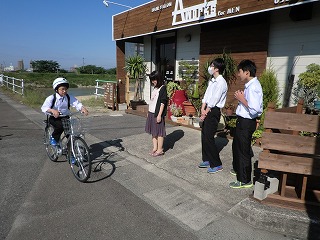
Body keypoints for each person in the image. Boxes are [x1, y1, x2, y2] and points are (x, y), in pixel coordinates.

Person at [229, 59, 263, 189]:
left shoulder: (254, 87)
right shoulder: (250, 85)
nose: (239, 74)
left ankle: (244, 180)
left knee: (243, 150)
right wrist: (243, 98)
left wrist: (241, 99)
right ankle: (238, 169)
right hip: (242, 121)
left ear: (247, 72)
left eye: (240, 71)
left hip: (247, 122)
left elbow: (255, 109)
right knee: (237, 146)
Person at [198, 58, 228, 173]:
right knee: (204, 135)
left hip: (213, 110)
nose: (210, 67)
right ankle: (207, 159)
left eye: (212, 66)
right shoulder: (212, 80)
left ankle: (217, 164)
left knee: (209, 137)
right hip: (207, 108)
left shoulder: (221, 82)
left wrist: (206, 111)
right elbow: (207, 94)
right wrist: (202, 107)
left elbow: (215, 99)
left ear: (217, 69)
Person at [41, 77, 89, 146]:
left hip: (65, 117)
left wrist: (82, 108)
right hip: (54, 118)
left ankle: (71, 153)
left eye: (66, 89)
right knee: (60, 126)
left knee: (70, 134)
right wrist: (52, 110)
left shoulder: (69, 97)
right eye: (62, 89)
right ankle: (53, 138)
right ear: (57, 89)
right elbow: (44, 108)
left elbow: (76, 103)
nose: (64, 91)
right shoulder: (51, 98)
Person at [145, 71, 168, 157]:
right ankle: (155, 148)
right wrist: (148, 111)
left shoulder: (163, 88)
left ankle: (160, 149)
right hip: (151, 113)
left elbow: (163, 103)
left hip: (157, 114)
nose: (153, 81)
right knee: (153, 132)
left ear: (159, 79)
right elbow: (152, 101)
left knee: (159, 132)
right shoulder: (155, 88)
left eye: (154, 79)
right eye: (152, 80)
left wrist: (159, 115)